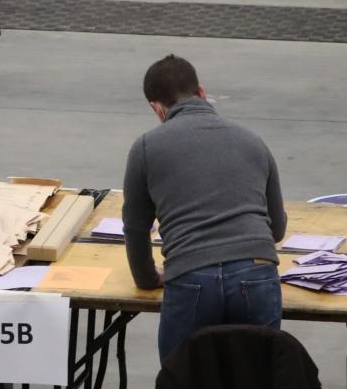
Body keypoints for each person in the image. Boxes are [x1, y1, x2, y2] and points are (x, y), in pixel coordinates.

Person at [122, 54, 287, 363]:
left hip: (191, 274)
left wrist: (146, 278)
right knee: (257, 384)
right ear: (201, 91)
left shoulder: (146, 147)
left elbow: (134, 227)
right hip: (256, 272)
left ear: (157, 109)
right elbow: (276, 229)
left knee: (183, 386)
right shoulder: (253, 140)